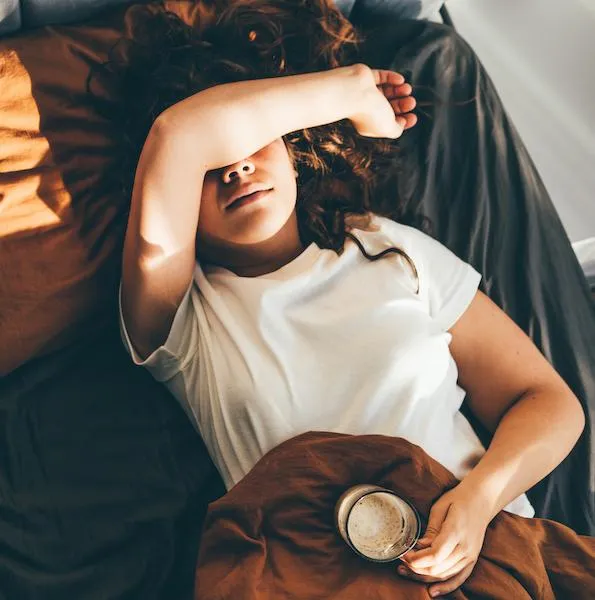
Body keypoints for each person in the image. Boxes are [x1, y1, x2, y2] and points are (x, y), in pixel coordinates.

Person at [108, 1, 585, 597]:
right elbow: (178, 135)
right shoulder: (181, 322)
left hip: (486, 550)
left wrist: (480, 499)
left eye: (254, 140)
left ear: (291, 145)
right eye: (208, 168)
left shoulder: (386, 247)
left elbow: (548, 402)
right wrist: (354, 92)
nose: (233, 168)